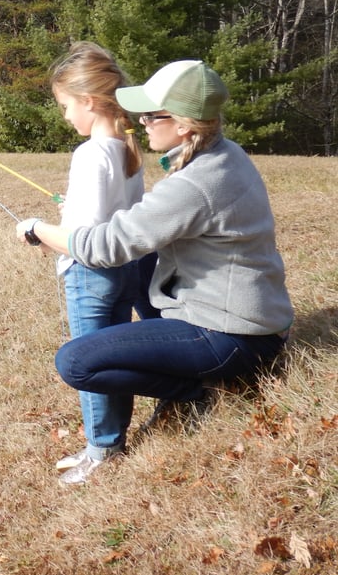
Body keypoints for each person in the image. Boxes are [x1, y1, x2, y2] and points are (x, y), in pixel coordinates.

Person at [16, 59, 293, 485]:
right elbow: (145, 229)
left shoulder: (195, 183)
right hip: (253, 324)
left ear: (182, 125)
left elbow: (102, 247)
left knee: (76, 362)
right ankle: (201, 379)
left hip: (232, 336)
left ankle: (199, 392)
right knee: (143, 262)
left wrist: (37, 229)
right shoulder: (224, 154)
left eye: (151, 115)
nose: (140, 123)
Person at [39, 41, 151, 486]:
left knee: (90, 362)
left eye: (67, 106)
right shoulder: (126, 149)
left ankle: (100, 449)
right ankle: (111, 440)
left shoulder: (90, 153)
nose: (66, 116)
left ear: (88, 101)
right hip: (125, 270)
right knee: (112, 355)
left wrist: (35, 230)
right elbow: (113, 215)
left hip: (90, 276)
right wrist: (75, 205)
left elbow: (81, 241)